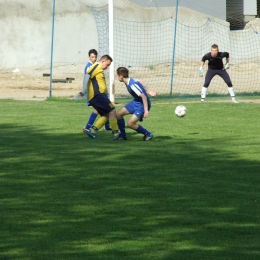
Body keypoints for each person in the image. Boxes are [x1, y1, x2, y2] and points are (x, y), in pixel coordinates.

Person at [79, 54, 119, 140]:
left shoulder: (100, 69)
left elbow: (100, 83)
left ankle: (92, 131)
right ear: (103, 61)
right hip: (97, 95)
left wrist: (107, 92)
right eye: (107, 64)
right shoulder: (96, 65)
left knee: (107, 115)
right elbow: (87, 75)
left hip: (99, 95)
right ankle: (116, 134)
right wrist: (83, 89)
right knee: (112, 110)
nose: (107, 67)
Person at [115, 67, 157, 141]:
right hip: (136, 102)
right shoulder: (131, 79)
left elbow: (143, 96)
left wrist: (146, 110)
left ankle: (148, 134)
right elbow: (141, 81)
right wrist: (149, 91)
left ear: (121, 76)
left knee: (130, 124)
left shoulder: (132, 85)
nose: (117, 77)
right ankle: (122, 135)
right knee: (118, 114)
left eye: (117, 76)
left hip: (142, 105)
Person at [82, 49, 111, 132]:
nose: (94, 58)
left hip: (98, 93)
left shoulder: (97, 66)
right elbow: (87, 77)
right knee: (109, 109)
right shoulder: (90, 66)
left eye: (95, 57)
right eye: (92, 57)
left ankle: (90, 127)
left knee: (100, 110)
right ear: (89, 57)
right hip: (95, 93)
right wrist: (84, 90)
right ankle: (114, 132)